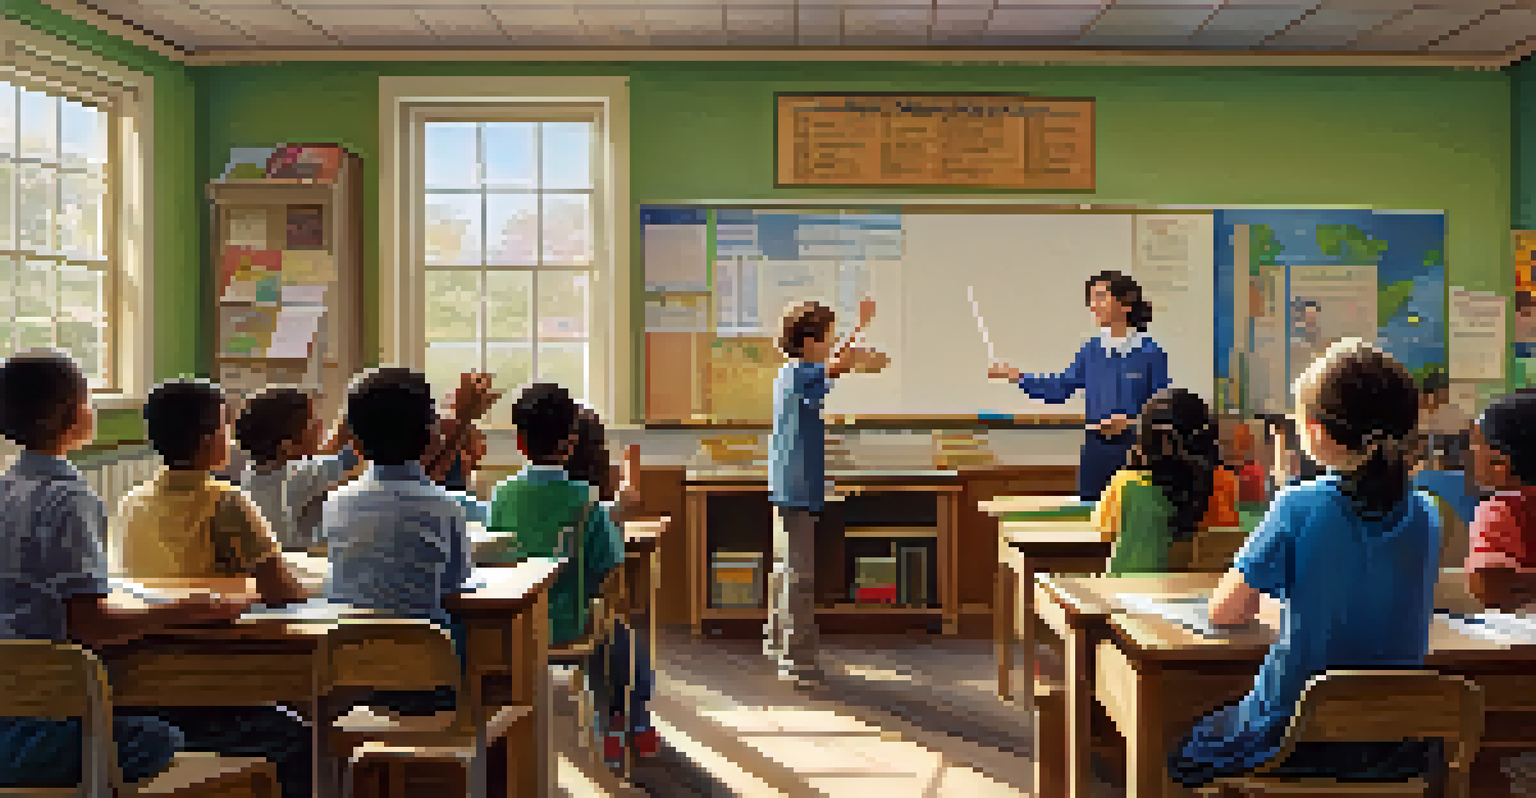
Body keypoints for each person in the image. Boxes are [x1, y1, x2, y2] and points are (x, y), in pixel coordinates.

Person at [0, 351, 310, 798]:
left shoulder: (10, 488)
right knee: (162, 737)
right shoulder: (69, 498)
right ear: (74, 414)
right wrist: (187, 610)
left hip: (12, 704)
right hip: (53, 707)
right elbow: (89, 624)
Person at [1169, 339, 1441, 788]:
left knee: (1182, 744)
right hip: (1392, 745)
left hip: (1294, 738)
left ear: (1314, 430)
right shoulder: (1426, 514)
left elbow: (1226, 611)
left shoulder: (1299, 505)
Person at [480, 385, 639, 762]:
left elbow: (488, 556)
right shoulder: (586, 498)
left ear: (519, 441)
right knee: (616, 634)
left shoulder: (501, 495)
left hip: (509, 626)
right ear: (570, 443)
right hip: (567, 623)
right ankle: (612, 730)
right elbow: (609, 566)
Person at [324, 367, 472, 716]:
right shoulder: (446, 506)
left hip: (352, 679)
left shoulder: (337, 503)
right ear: (432, 436)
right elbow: (455, 586)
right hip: (432, 683)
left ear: (355, 443)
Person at [113, 379, 308, 607]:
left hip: (150, 628)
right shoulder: (226, 501)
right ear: (208, 441)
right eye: (225, 426)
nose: (232, 438)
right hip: (211, 633)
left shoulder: (130, 501)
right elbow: (281, 590)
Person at [534, 405, 657, 762]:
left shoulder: (514, 496)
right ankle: (627, 722)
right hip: (577, 615)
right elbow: (610, 567)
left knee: (607, 645)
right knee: (619, 645)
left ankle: (616, 724)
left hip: (524, 614)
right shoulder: (596, 507)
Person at [768, 298, 877, 686]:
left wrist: (855, 336)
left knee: (786, 570)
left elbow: (834, 367)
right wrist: (860, 329)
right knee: (798, 575)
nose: (833, 343)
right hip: (795, 486)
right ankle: (796, 660)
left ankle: (777, 643)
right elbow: (837, 365)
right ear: (811, 340)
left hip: (793, 484)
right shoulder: (798, 374)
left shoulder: (799, 373)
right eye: (829, 336)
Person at [990, 271, 1170, 501]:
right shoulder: (1091, 351)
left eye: (1101, 297)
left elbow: (1162, 408)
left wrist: (1131, 422)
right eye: (1091, 299)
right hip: (1096, 451)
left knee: (1131, 514)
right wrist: (1018, 377)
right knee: (1092, 516)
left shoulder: (1150, 353)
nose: (1094, 306)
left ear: (1125, 304)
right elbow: (1060, 388)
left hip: (1136, 450)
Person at [1092, 388, 1238, 575]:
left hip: (1130, 593)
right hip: (1200, 595)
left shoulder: (1126, 484)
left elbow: (1104, 532)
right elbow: (1225, 535)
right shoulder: (1224, 482)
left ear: (1146, 438)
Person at [234, 386, 360, 551]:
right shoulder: (303, 474)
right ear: (288, 446)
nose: (321, 425)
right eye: (313, 422)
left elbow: (320, 459)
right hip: (306, 564)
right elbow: (349, 456)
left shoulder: (250, 474)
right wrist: (355, 414)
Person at [1463, 390, 1536, 610]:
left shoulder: (1497, 511)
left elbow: (1486, 587)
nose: (1468, 454)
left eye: (1475, 446)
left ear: (1499, 464)